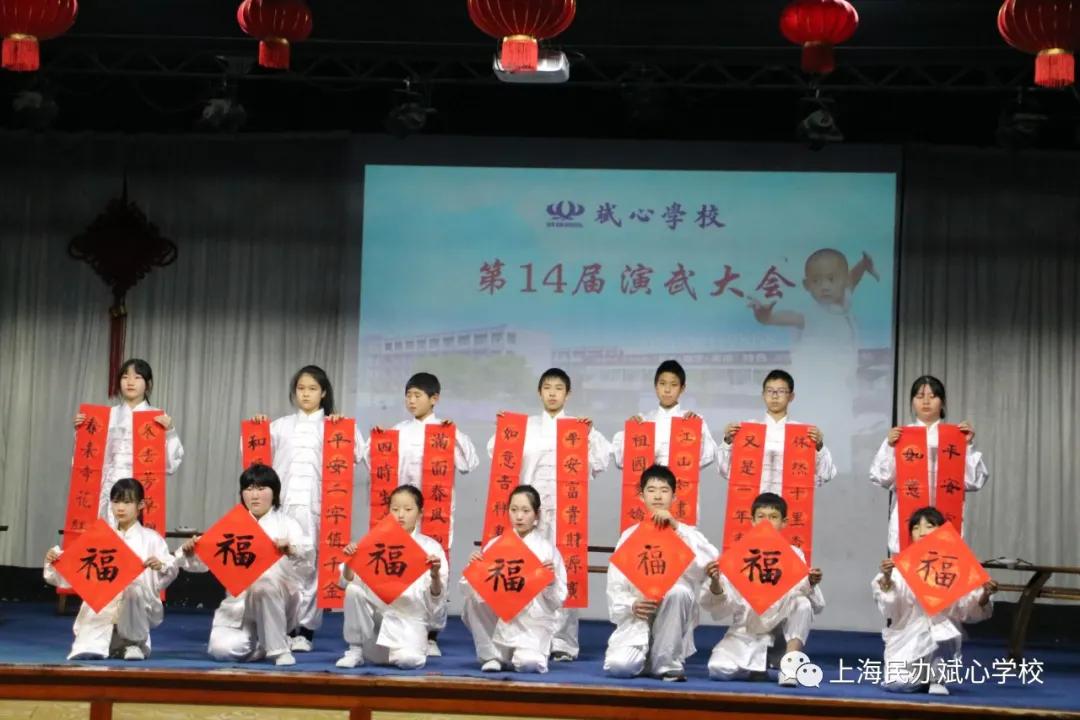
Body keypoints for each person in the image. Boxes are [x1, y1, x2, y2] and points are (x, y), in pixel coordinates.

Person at [485, 368, 610, 661]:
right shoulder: (525, 426)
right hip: (528, 513)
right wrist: (504, 430)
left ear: (568, 394)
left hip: (565, 512)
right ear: (539, 392)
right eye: (547, 388)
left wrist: (589, 435)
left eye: (558, 388)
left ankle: (563, 642)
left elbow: (601, 461)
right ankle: (522, 636)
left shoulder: (577, 427)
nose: (552, 393)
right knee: (524, 569)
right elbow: (498, 454)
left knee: (564, 572)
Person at [246, 365, 364, 651]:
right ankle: (280, 626)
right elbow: (253, 456)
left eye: (312, 389)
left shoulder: (334, 426)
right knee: (280, 565)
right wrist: (258, 427)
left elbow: (359, 454)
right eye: (301, 389)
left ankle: (305, 630)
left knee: (311, 566)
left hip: (317, 506)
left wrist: (343, 429)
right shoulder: (280, 426)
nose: (306, 394)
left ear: (323, 393)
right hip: (283, 507)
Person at [365, 371, 478, 656]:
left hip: (434, 513)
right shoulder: (398, 430)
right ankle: (399, 626)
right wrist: (378, 440)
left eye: (417, 395)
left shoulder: (445, 430)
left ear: (434, 398)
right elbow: (372, 463)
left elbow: (469, 463)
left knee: (435, 569)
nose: (411, 401)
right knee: (398, 566)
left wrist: (454, 434)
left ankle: (431, 634)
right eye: (408, 395)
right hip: (402, 515)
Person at [177, 464, 313, 666]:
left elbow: (307, 564)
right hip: (240, 605)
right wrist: (190, 552)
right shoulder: (234, 526)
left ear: (274, 493)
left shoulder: (288, 524)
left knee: (263, 583)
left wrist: (291, 550)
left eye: (261, 489)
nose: (254, 495)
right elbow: (201, 563)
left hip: (279, 601)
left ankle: (278, 649)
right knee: (221, 650)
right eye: (248, 489)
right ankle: (262, 645)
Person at [603, 464, 721, 682]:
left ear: (674, 497)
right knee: (620, 667)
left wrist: (676, 527)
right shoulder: (629, 536)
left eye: (664, 490)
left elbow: (709, 563)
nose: (658, 496)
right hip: (639, 614)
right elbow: (615, 585)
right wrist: (631, 604)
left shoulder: (686, 533)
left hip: (672, 613)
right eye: (651, 490)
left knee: (679, 591)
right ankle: (647, 657)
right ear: (641, 496)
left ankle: (667, 663)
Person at [44, 478, 177, 660]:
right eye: (116, 502)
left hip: (135, 608)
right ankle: (92, 644)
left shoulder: (151, 539)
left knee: (133, 588)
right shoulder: (101, 537)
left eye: (127, 502)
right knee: (102, 593)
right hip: (103, 607)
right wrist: (55, 561)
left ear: (140, 505)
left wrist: (160, 566)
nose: (120, 508)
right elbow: (75, 570)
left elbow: (169, 569)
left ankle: (132, 643)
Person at [873, 506, 997, 695]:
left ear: (941, 530)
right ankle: (917, 677)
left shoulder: (955, 566)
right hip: (908, 635)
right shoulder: (901, 567)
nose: (922, 532)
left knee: (939, 628)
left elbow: (966, 608)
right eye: (916, 528)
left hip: (940, 635)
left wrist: (985, 594)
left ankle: (937, 678)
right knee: (898, 684)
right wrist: (887, 579)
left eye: (929, 526)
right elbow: (891, 608)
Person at [706, 492, 825, 686]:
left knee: (802, 603)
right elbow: (722, 608)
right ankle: (756, 667)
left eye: (773, 517)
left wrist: (811, 583)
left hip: (780, 632)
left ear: (784, 522)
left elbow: (817, 606)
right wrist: (715, 583)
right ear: (752, 520)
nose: (767, 522)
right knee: (718, 669)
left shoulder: (794, 554)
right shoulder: (738, 555)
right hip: (746, 630)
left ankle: (790, 667)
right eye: (761, 516)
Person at [869, 375, 988, 553]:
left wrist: (968, 445)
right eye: (919, 396)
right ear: (912, 402)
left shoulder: (954, 436)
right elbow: (882, 478)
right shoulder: (901, 436)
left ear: (942, 402)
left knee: (943, 563)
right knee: (907, 566)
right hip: (910, 519)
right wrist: (889, 445)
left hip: (945, 518)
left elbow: (974, 481)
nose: (926, 402)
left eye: (932, 397)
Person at [336, 485, 448, 669]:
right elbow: (344, 583)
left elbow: (436, 602)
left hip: (409, 620)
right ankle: (355, 650)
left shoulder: (431, 548)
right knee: (353, 590)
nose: (401, 515)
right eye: (395, 509)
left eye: (408, 509)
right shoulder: (375, 542)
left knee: (409, 661)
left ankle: (403, 650)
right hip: (377, 620)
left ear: (420, 513)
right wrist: (350, 561)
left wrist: (435, 575)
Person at [461, 484, 566, 674]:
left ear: (536, 514)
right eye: (514, 510)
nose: (519, 516)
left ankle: (525, 651)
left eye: (525, 511)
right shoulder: (496, 544)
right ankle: (492, 655)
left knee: (528, 664)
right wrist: (474, 566)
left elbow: (558, 600)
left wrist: (551, 582)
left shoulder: (547, 550)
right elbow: (471, 587)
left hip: (531, 622)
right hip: (499, 618)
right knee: (473, 599)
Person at [72, 358, 184, 525]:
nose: (130, 382)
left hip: (140, 490)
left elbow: (170, 465)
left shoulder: (157, 417)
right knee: (107, 535)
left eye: (137, 377)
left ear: (148, 384)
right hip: (108, 490)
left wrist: (170, 432)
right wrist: (82, 431)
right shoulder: (107, 416)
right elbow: (85, 461)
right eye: (125, 377)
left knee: (137, 536)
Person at [718, 369, 837, 493]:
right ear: (763, 395)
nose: (774, 396)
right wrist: (728, 441)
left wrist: (819, 446)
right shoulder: (747, 431)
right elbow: (725, 471)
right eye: (770, 391)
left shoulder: (803, 434)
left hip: (789, 501)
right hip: (755, 501)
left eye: (781, 391)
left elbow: (825, 475)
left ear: (791, 396)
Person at [611, 358, 717, 471]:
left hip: (680, 480)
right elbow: (621, 461)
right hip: (650, 480)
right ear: (656, 386)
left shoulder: (692, 420)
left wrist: (697, 431)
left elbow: (709, 455)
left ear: (682, 388)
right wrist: (630, 432)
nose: (667, 390)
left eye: (674, 385)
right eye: (662, 384)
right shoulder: (643, 420)